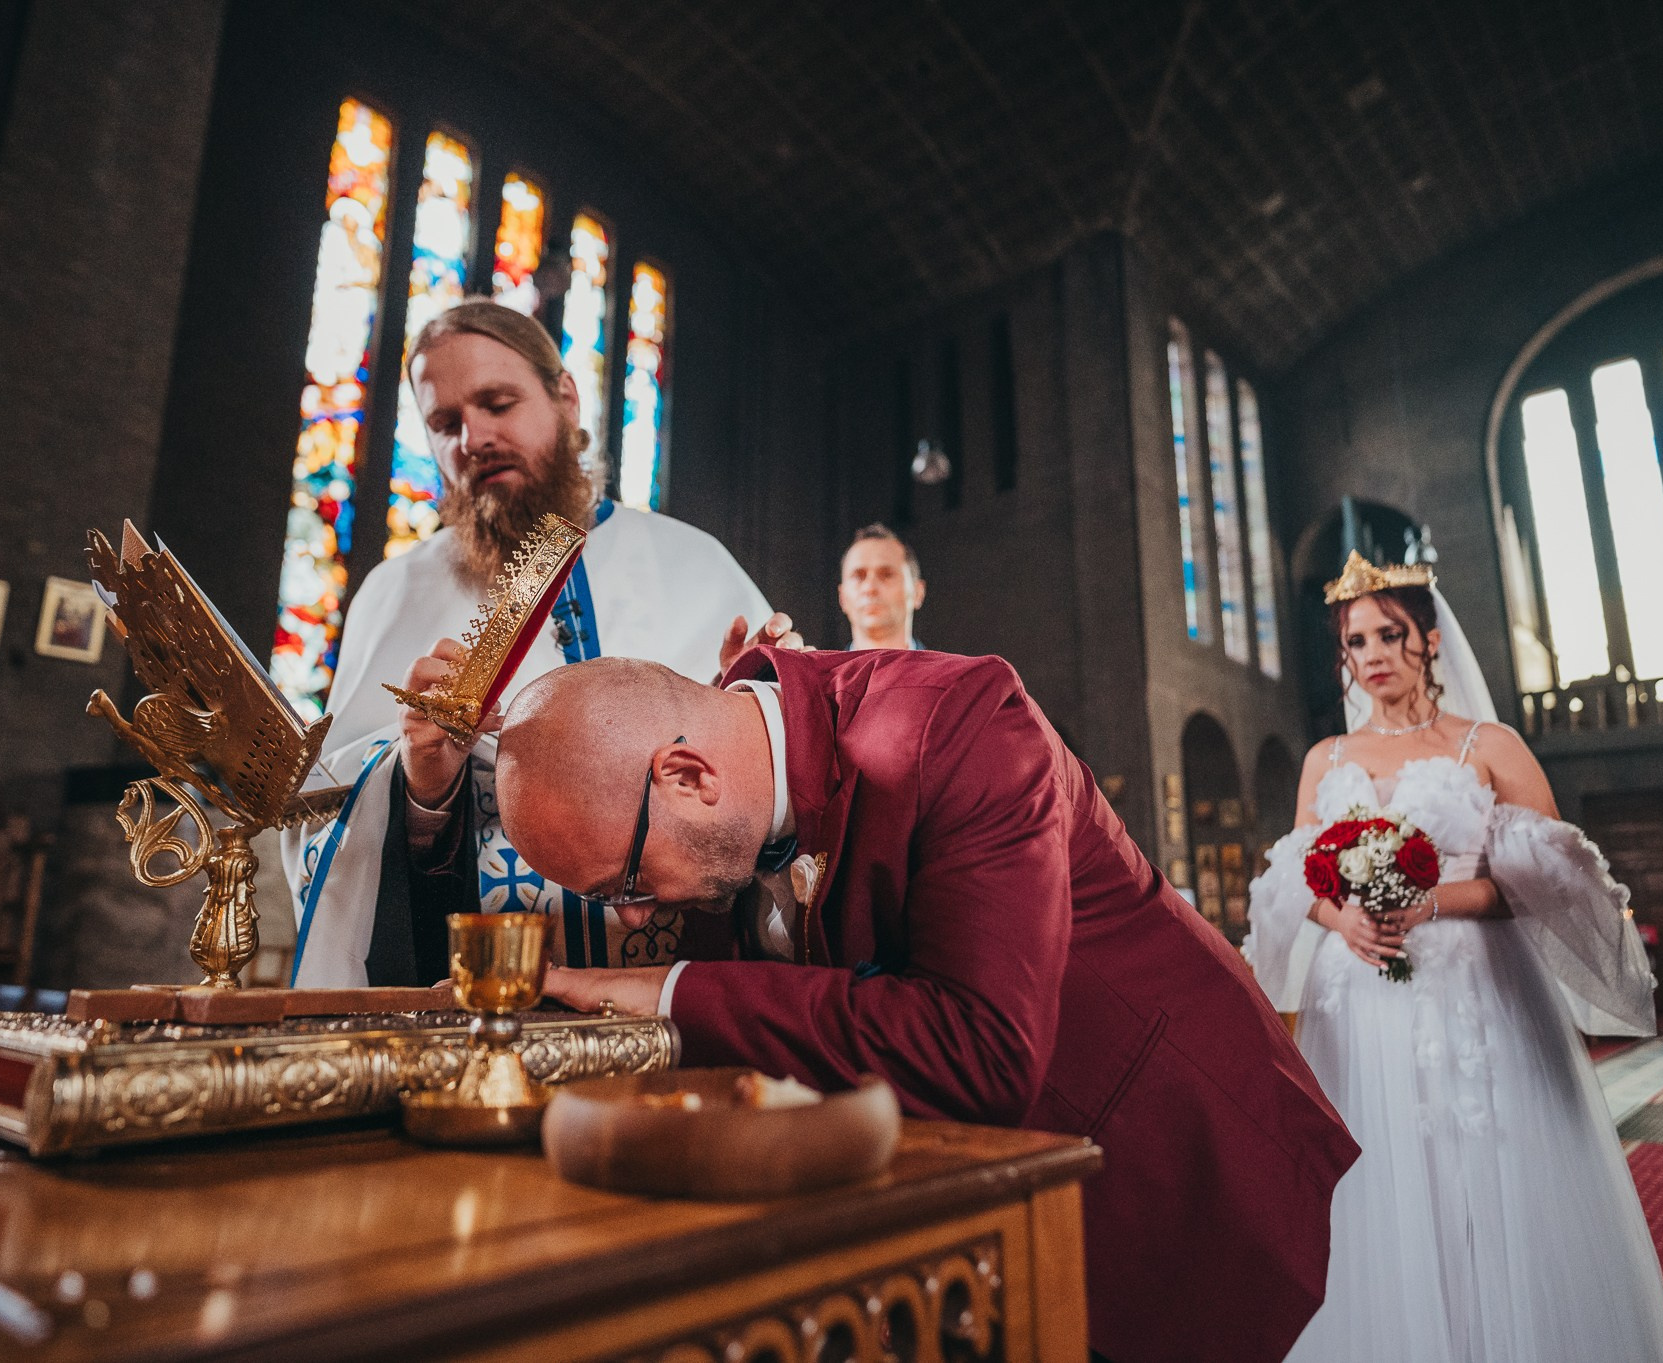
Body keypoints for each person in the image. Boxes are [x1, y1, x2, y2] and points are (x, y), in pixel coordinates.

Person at [490, 647, 1360, 1363]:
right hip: (968, 1216)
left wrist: (670, 993)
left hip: (1161, 1173)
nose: (638, 917)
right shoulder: (729, 785)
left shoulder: (960, 720)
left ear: (687, 775)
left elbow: (983, 1053)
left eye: (626, 882)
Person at [1244, 552, 1663, 1363]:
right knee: (1379, 1177)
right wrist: (1341, 919)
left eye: (1389, 633)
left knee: (1481, 1163)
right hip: (1357, 994)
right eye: (1355, 640)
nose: (1371, 653)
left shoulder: (1490, 743)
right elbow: (1298, 873)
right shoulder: (1326, 758)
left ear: (1430, 638)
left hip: (1471, 985)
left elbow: (1545, 878)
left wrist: (1432, 900)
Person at [284, 300, 795, 988]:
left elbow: (796, 791)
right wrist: (422, 789)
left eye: (498, 402)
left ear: (565, 398)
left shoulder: (694, 561)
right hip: (490, 1002)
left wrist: (743, 712)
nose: (473, 437)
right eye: (445, 423)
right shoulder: (393, 591)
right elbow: (322, 828)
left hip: (682, 1000)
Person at [837, 523, 924, 650]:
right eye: (858, 577)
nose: (870, 588)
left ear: (918, 592)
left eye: (887, 575)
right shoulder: (819, 670)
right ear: (842, 597)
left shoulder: (954, 670)